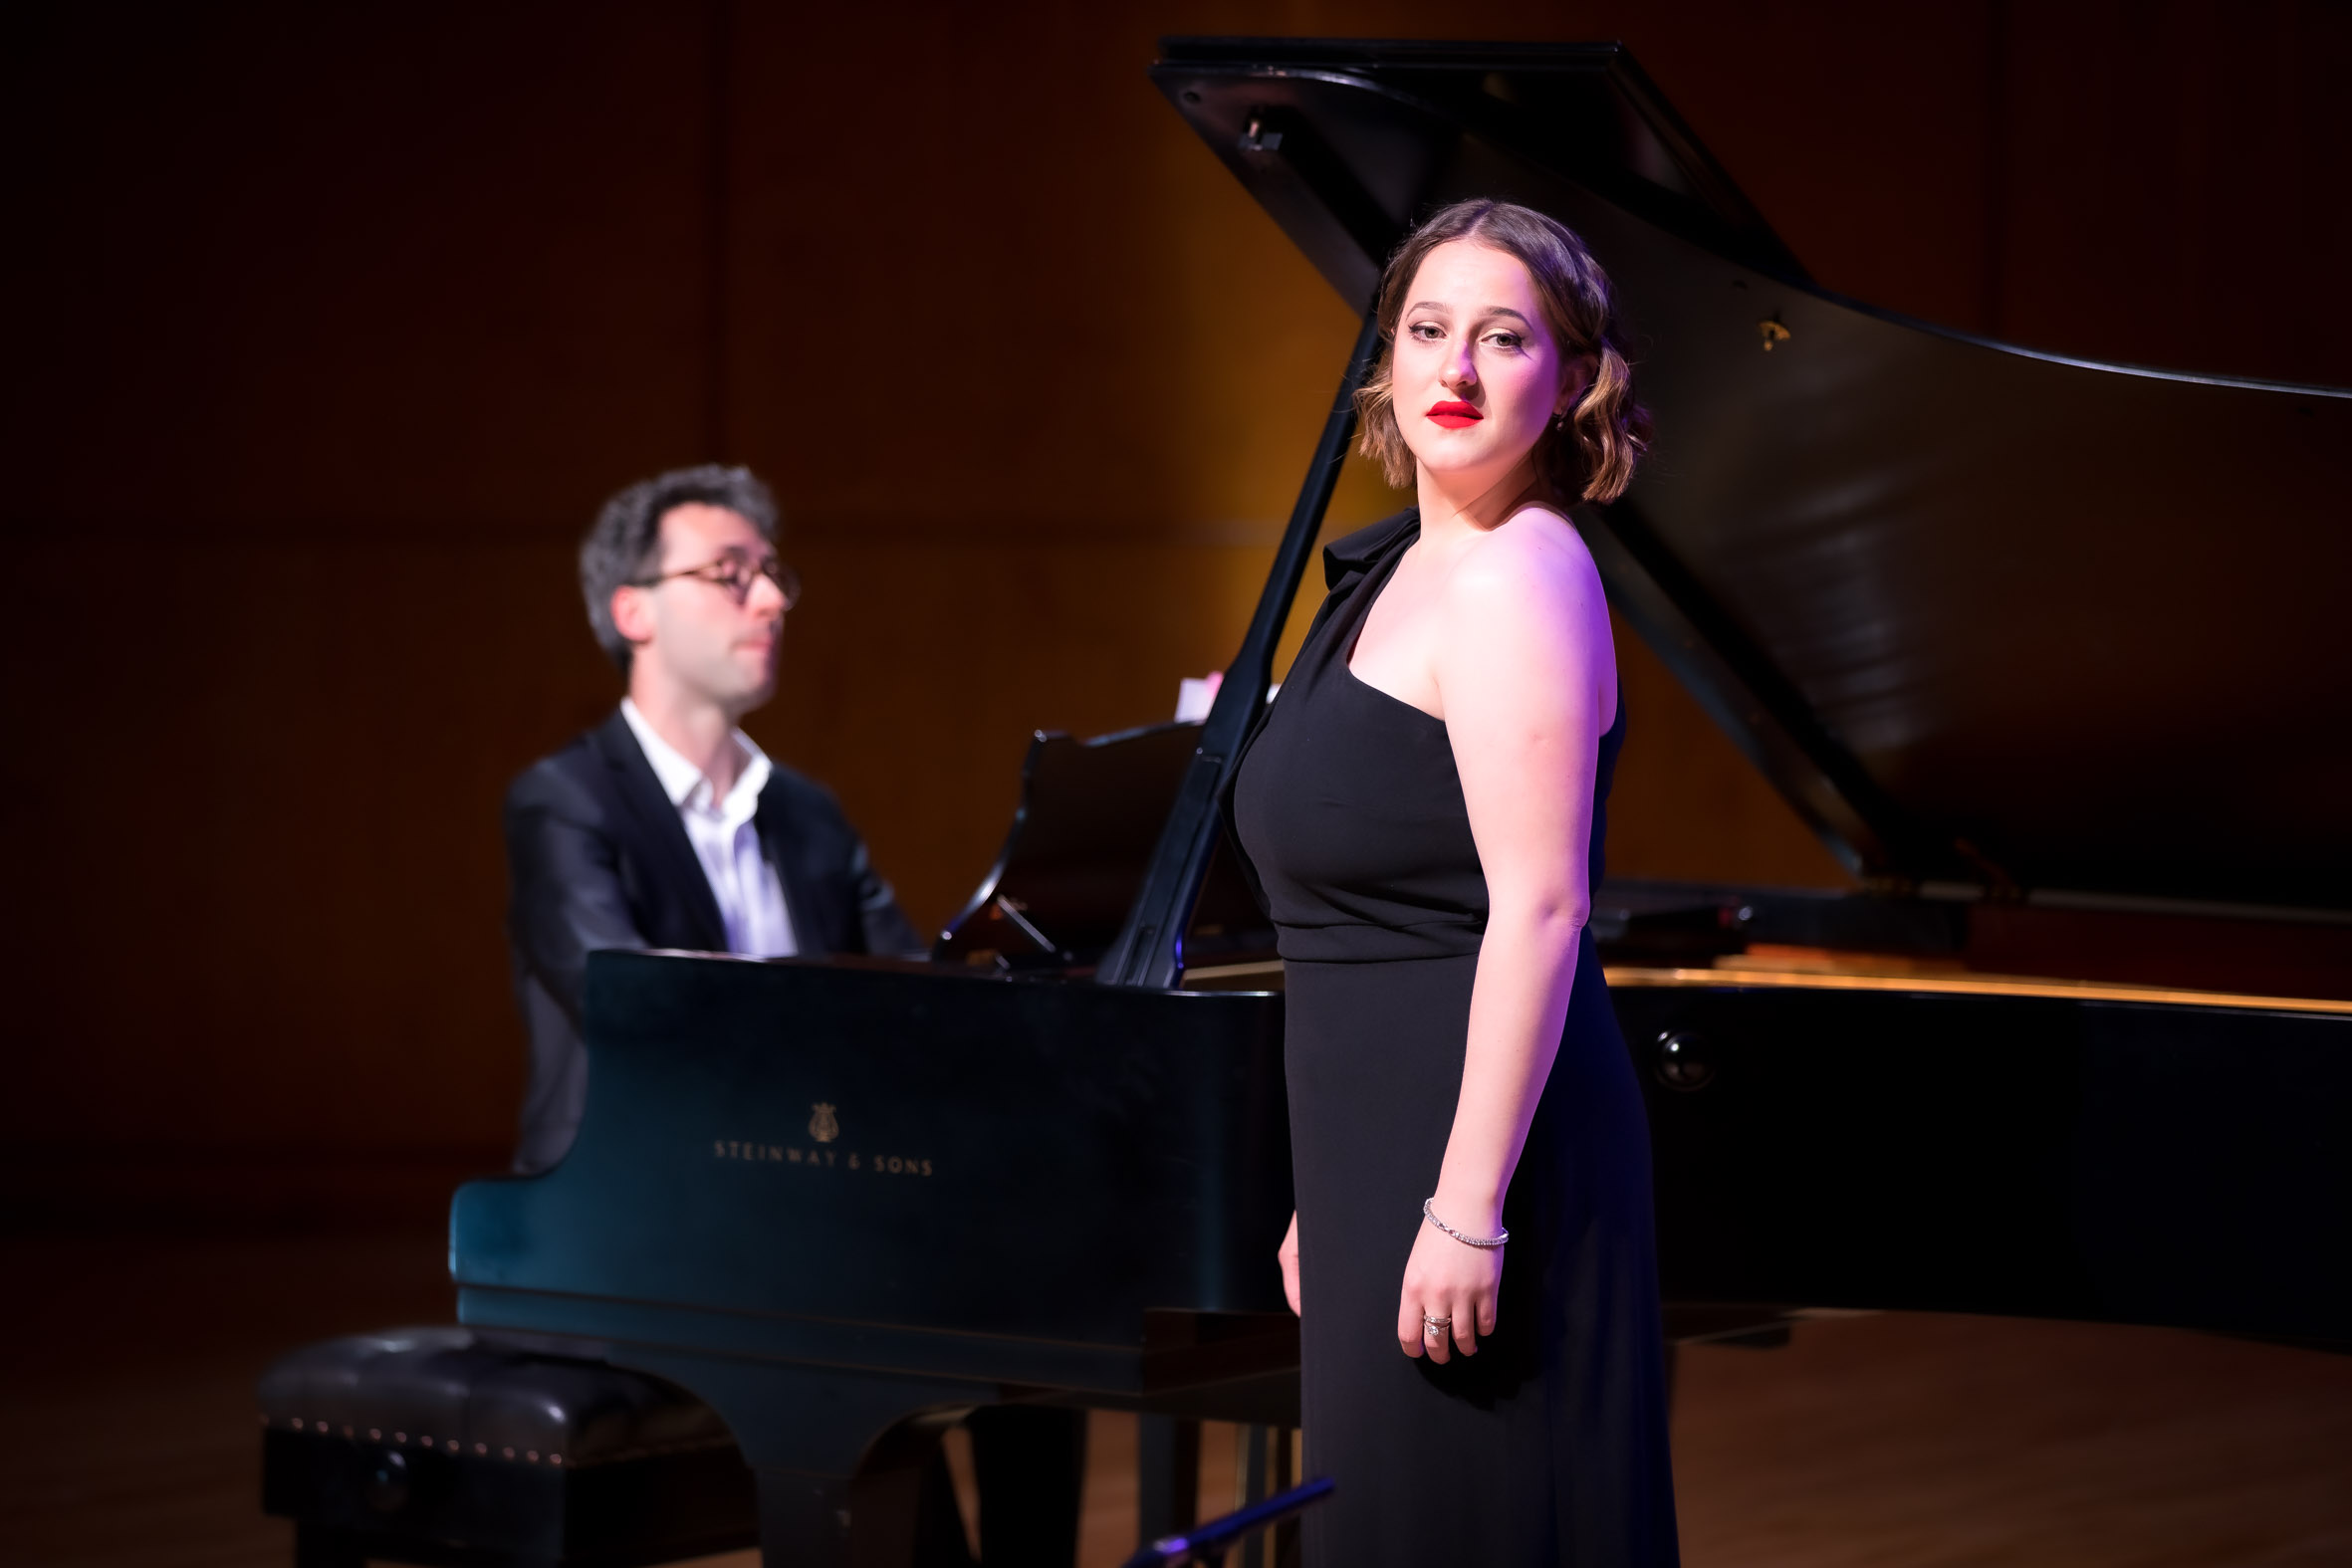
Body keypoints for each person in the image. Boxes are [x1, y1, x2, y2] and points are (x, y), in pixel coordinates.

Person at [1229, 200, 1679, 1563]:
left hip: (1486, 1169)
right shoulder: (1396, 577)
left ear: (1573, 381)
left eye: (1503, 338)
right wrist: (1340, 1191)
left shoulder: (1517, 576)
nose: (1456, 372)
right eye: (1427, 330)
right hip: (1390, 1160)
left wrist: (1462, 1203)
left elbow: (1537, 908)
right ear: (1386, 360)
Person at [503, 464, 924, 1177]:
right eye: (730, 573)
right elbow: (629, 1004)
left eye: (771, 574)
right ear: (634, 612)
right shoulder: (564, 799)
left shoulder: (809, 811)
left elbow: (913, 998)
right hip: (626, 1195)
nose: (769, 601)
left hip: (810, 1185)